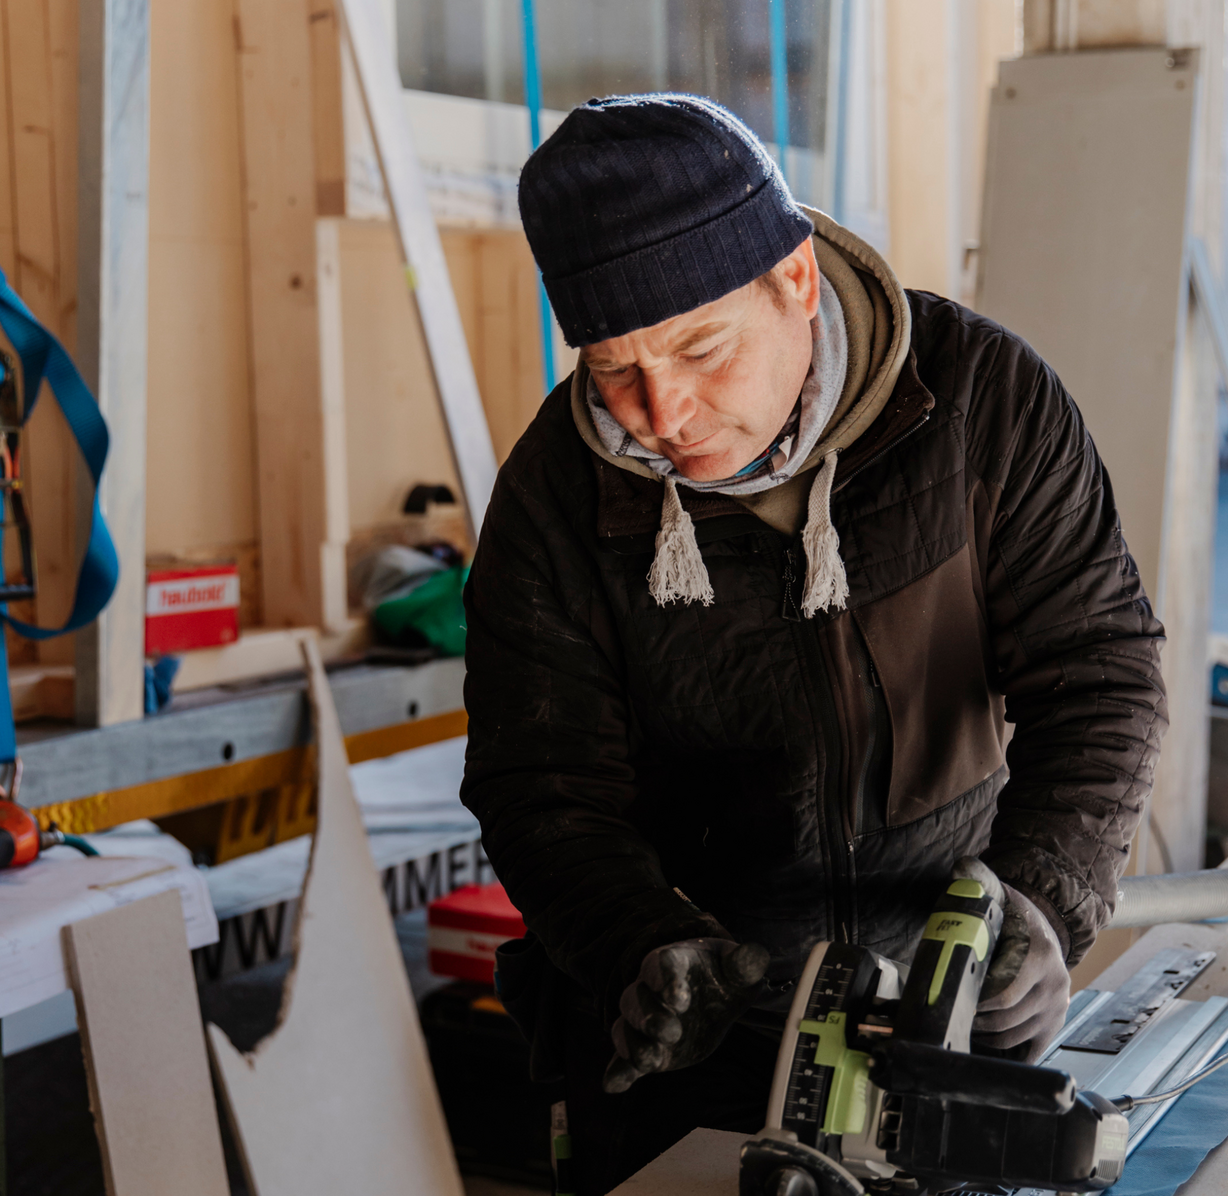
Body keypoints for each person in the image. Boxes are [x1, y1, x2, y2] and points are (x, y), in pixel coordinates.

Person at [460, 94, 1166, 1194]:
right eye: (613, 368)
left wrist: (1044, 894)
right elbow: (540, 784)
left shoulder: (984, 402)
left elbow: (1103, 672)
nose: (662, 412)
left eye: (701, 348)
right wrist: (641, 942)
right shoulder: (556, 492)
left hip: (939, 1015)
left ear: (793, 278)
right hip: (686, 1035)